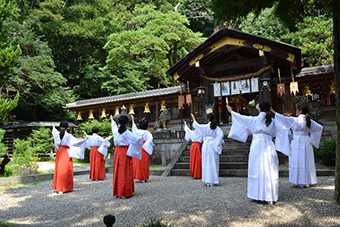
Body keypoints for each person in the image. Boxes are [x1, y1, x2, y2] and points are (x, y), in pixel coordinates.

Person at [227, 101, 290, 204]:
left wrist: (231, 111)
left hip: (257, 146)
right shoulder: (273, 121)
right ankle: (271, 195)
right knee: (269, 169)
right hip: (269, 145)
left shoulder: (254, 120)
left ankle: (257, 195)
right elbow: (284, 129)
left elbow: (240, 118)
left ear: (259, 109)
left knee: (257, 170)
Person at [270, 105, 323, 188]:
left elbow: (283, 118)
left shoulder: (295, 120)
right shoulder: (309, 121)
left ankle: (300, 181)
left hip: (296, 141)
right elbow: (319, 128)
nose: (296, 111)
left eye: (297, 110)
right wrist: (312, 139)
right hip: (306, 141)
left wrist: (273, 111)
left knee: (298, 161)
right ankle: (308, 181)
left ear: (300, 111)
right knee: (307, 160)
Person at [110, 114, 142, 198]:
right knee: (126, 171)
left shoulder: (115, 130)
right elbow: (136, 140)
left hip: (117, 152)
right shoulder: (127, 132)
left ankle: (118, 191)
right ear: (127, 123)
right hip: (125, 152)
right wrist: (141, 137)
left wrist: (112, 119)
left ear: (119, 122)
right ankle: (125, 191)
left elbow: (113, 124)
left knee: (118, 171)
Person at [190, 112, 224, 187]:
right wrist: (215, 143)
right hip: (212, 145)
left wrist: (194, 119)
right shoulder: (216, 128)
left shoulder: (205, 127)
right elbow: (221, 135)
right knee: (213, 163)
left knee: (206, 163)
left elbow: (197, 126)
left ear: (208, 119)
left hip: (206, 145)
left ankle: (207, 180)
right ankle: (213, 180)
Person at [52, 121, 86, 194]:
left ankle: (58, 187)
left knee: (59, 169)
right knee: (66, 169)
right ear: (67, 127)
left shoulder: (58, 134)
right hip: (66, 152)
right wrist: (84, 140)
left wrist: (53, 127)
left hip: (60, 152)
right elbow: (77, 142)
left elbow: (54, 132)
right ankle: (65, 187)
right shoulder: (68, 136)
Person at [131, 116, 154, 183]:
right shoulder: (148, 133)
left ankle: (138, 177)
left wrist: (133, 120)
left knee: (137, 163)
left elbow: (134, 128)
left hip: (138, 146)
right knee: (144, 163)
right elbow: (150, 139)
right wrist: (146, 145)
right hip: (144, 147)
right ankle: (144, 177)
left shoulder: (137, 132)